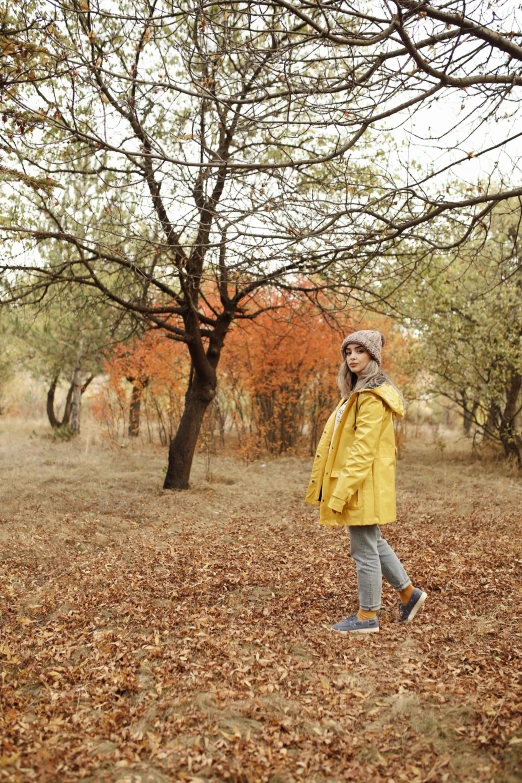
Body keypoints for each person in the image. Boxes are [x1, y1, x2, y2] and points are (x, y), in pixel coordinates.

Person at [305, 329, 427, 634]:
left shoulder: (371, 397)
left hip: (361, 484)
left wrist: (341, 492)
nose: (353, 357)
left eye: (360, 351)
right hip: (361, 483)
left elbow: (362, 450)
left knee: (363, 550)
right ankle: (409, 595)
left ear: (373, 356)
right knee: (373, 541)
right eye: (348, 352)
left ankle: (367, 615)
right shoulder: (357, 393)